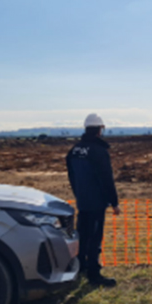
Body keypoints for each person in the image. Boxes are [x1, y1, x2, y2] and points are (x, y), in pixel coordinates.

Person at [66, 113, 121, 287]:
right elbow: (106, 178)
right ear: (99, 130)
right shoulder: (99, 151)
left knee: (82, 235)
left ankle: (80, 266)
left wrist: (79, 195)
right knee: (95, 238)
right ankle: (94, 274)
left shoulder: (74, 150)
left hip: (82, 201)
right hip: (97, 203)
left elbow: (72, 177)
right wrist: (114, 202)